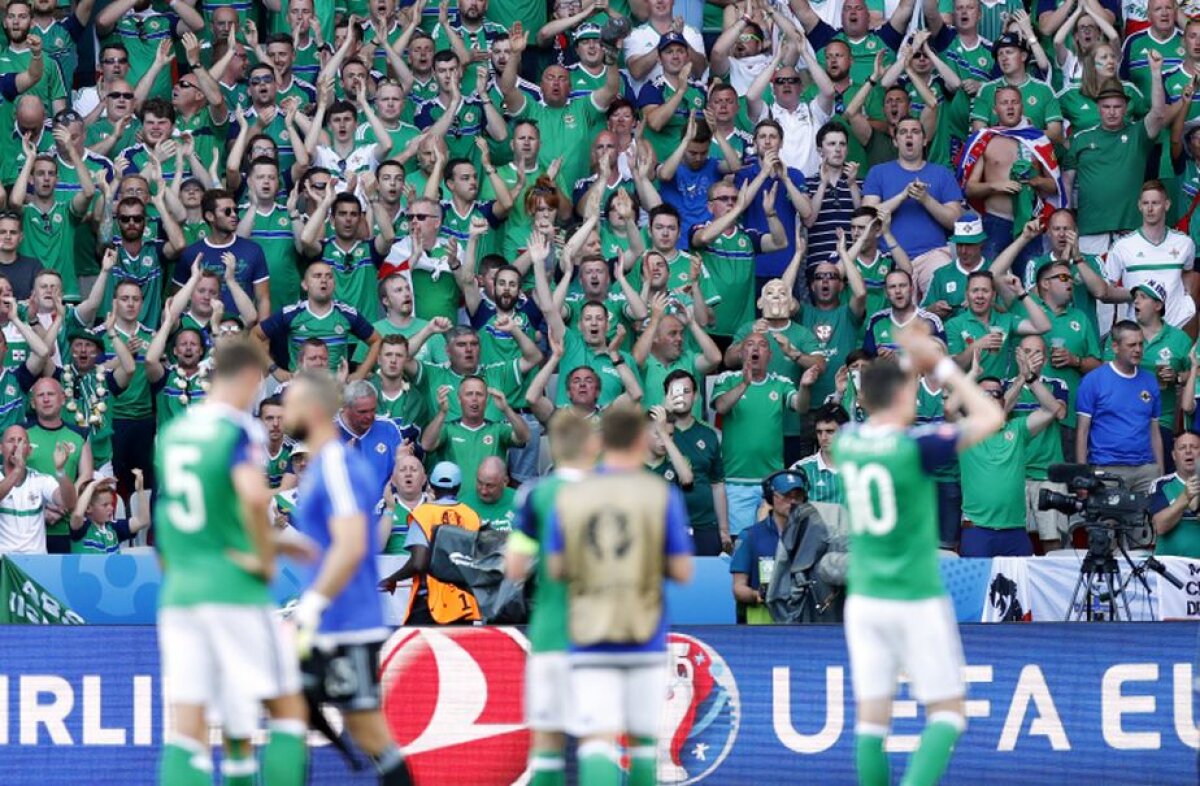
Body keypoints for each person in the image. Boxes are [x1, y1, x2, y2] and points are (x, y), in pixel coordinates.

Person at [832, 324, 1005, 786]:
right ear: (905, 396)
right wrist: (941, 365)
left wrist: (909, 362)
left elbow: (883, 394)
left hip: (865, 598)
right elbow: (990, 416)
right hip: (914, 595)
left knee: (872, 723)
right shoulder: (916, 447)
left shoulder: (846, 442)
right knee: (947, 714)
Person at [153, 338, 307, 786]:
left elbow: (169, 516)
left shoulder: (175, 432)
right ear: (248, 378)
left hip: (181, 591)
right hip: (231, 586)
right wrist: (266, 556)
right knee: (287, 710)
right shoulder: (238, 430)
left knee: (190, 727)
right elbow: (253, 496)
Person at [545, 403, 693, 786]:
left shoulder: (573, 495)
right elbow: (682, 571)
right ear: (642, 440)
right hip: (644, 632)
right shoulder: (658, 493)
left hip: (590, 632)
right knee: (643, 745)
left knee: (598, 741)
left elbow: (556, 569)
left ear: (600, 442)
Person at [282, 370, 415, 786]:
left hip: (345, 622)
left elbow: (352, 545)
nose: (285, 412)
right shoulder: (326, 464)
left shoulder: (337, 464)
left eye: (292, 403)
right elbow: (326, 547)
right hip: (335, 620)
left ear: (314, 409)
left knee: (366, 729)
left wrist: (311, 606)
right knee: (292, 713)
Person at [506, 409, 600, 786]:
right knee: (598, 741)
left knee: (547, 742)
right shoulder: (611, 494)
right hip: (600, 633)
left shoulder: (536, 496)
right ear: (591, 445)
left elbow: (514, 568)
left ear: (554, 447)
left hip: (550, 632)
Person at [958, 374, 1064, 557]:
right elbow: (949, 408)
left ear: (1003, 401)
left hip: (1015, 531)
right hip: (977, 530)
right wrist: (972, 374)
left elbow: (1052, 410)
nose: (991, 397)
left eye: (997, 393)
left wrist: (1030, 378)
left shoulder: (1018, 429)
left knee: (1021, 578)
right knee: (977, 578)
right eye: (985, 394)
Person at [380, 461, 483, 625]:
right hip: (465, 605)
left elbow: (418, 563)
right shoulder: (472, 515)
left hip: (432, 605)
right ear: (459, 487)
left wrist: (393, 579)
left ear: (431, 485)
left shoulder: (424, 514)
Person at [1076, 320, 1164, 492]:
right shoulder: (1093, 380)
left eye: (1140, 344)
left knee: (1152, 511)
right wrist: (1082, 477)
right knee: (1106, 511)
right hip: (1107, 468)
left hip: (1146, 470)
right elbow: (1082, 431)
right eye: (1131, 345)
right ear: (1115, 347)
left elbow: (1154, 430)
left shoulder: (1150, 380)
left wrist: (1160, 472)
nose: (1138, 349)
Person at [730, 469, 809, 624]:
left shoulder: (812, 535)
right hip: (762, 623)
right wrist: (757, 595)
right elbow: (738, 588)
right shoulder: (750, 536)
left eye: (798, 496)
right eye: (786, 495)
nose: (792, 501)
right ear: (771, 497)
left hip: (803, 621)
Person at [0, 424, 77, 554]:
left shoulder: (41, 480)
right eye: (11, 440)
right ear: (1, 449)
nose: (16, 445)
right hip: (4, 560)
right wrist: (18, 469)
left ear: (29, 450)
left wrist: (60, 471)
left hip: (36, 561)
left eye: (21, 441)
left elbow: (69, 503)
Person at [1150, 431, 1200, 557]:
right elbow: (1159, 526)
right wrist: (1185, 499)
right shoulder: (1161, 484)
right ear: (1173, 455)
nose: (1188, 451)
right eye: (1182, 448)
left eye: (1194, 447)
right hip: (1171, 564)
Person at [789, 403, 850, 504]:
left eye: (830, 431)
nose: (823, 438)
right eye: (819, 432)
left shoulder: (860, 466)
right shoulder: (801, 469)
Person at [461, 456, 519, 531]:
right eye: (480, 483)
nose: (483, 491)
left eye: (490, 486)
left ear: (505, 482)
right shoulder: (463, 505)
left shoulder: (520, 503)